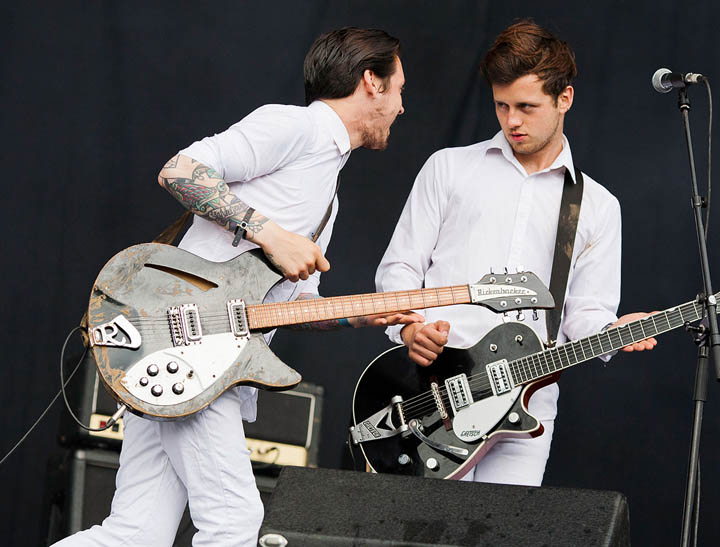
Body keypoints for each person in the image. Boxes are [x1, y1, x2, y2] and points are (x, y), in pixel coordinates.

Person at [55, 27, 418, 546]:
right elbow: (181, 170)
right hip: (193, 351)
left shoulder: (327, 190)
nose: (403, 107)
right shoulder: (298, 127)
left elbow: (291, 306)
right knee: (234, 525)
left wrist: (363, 315)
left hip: (190, 360)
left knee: (135, 534)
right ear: (371, 82)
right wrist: (270, 234)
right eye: (400, 88)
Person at [375, 20, 656, 487]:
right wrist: (409, 328)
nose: (512, 122)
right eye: (502, 106)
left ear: (564, 99)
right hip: (432, 388)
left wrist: (613, 330)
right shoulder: (449, 168)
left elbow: (583, 313)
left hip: (528, 398)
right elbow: (401, 266)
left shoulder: (598, 206)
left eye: (527, 106)